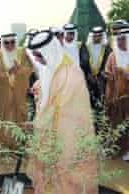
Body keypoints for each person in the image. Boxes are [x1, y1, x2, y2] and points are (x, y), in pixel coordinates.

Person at [26, 30, 98, 194]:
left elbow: (59, 107)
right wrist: (38, 90)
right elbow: (47, 85)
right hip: (47, 131)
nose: (36, 59)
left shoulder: (72, 73)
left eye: (39, 55)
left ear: (49, 51)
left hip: (68, 135)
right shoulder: (49, 66)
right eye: (35, 55)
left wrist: (37, 123)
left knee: (66, 173)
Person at [0, 33, 33, 147]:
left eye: (12, 42)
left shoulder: (22, 53)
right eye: (6, 42)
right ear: (2, 43)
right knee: (3, 118)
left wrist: (19, 69)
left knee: (20, 116)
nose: (9, 45)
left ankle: (19, 143)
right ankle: (4, 144)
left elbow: (30, 68)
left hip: (19, 92)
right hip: (2, 93)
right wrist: (7, 72)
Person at [104, 27, 129, 161]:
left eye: (123, 40)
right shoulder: (113, 55)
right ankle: (117, 150)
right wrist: (110, 75)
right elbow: (106, 71)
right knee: (116, 124)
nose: (120, 43)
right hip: (116, 98)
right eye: (118, 40)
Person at [82, 26, 112, 111]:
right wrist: (88, 73)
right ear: (92, 36)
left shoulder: (106, 48)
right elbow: (83, 61)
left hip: (102, 77)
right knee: (90, 98)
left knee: (102, 97)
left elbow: (108, 61)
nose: (97, 37)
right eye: (95, 35)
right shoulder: (85, 47)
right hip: (89, 77)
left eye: (99, 35)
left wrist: (102, 73)